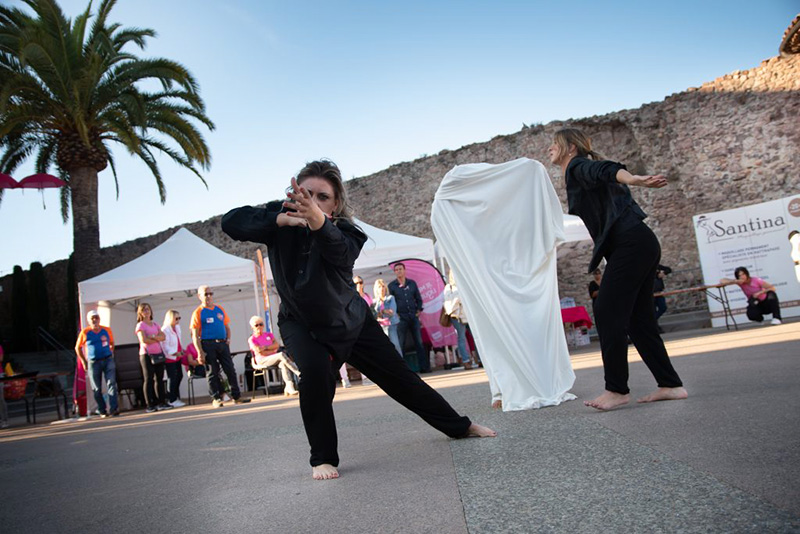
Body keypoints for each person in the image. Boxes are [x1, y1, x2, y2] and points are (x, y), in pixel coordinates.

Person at [221, 159, 495, 481]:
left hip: (351, 320)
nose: (311, 201)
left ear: (335, 204)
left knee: (400, 379)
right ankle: (322, 458)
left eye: (322, 196)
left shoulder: (348, 232)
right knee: (315, 373)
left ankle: (460, 426)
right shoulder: (277, 220)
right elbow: (231, 223)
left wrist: (317, 222)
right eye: (305, 193)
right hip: (302, 324)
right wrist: (279, 218)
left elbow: (339, 252)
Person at [548, 128, 687, 410]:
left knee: (607, 310)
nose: (548, 149)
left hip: (631, 244)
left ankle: (617, 390)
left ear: (570, 148)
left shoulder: (577, 166)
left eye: (553, 144)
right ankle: (670, 384)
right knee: (639, 320)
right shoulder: (576, 171)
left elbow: (605, 169)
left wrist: (634, 179)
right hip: (639, 243)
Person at [190, 285, 250, 407]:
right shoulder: (198, 312)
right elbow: (194, 335)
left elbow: (227, 326)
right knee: (212, 372)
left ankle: (236, 396)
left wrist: (228, 338)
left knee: (230, 369)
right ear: (199, 296)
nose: (208, 296)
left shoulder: (219, 309)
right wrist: (200, 352)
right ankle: (216, 398)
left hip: (222, 343)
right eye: (205, 294)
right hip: (207, 344)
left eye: (210, 294)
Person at [75, 310, 119, 417]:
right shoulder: (85, 332)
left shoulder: (106, 330)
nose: (95, 320)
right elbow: (77, 348)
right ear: (89, 320)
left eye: (96, 317)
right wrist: (84, 362)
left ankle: (114, 409)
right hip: (94, 362)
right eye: (92, 318)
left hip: (108, 359)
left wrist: (111, 351)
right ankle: (102, 409)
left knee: (111, 383)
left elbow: (112, 342)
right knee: (96, 388)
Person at [388, 262, 430, 373]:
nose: (398, 271)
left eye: (400, 269)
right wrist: (396, 314)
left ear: (404, 270)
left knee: (419, 343)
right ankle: (403, 371)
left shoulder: (412, 283)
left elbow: (419, 298)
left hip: (413, 316)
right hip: (401, 318)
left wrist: (418, 311)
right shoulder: (392, 286)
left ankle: (424, 367)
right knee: (401, 343)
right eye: (396, 270)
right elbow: (390, 302)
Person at [248, 315, 300, 396]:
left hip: (274, 358)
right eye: (256, 325)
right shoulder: (252, 339)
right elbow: (259, 351)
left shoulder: (269, 335)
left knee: (283, 363)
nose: (259, 326)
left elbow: (277, 345)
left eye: (261, 324)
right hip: (262, 360)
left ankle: (289, 386)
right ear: (252, 327)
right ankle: (299, 373)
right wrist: (272, 350)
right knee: (281, 355)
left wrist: (265, 347)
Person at [135, 303, 171, 413]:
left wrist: (154, 337)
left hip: (158, 353)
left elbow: (163, 336)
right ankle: (149, 404)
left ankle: (162, 401)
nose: (146, 312)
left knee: (159, 379)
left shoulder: (155, 324)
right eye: (144, 310)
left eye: (148, 309)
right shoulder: (140, 325)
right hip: (146, 354)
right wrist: (156, 339)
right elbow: (143, 340)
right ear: (140, 313)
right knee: (148, 379)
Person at [443, 269, 472, 370]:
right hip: (457, 315)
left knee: (476, 337)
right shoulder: (449, 287)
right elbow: (448, 302)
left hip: (469, 314)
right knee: (461, 337)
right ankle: (466, 360)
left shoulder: (465, 283)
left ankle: (480, 359)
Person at [160, 309, 186, 408]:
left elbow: (178, 340)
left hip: (178, 356)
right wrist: (174, 353)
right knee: (173, 378)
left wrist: (181, 350)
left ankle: (174, 396)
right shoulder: (165, 329)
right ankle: (172, 399)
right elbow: (165, 345)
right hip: (170, 357)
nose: (178, 320)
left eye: (179, 318)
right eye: (176, 318)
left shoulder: (177, 327)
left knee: (179, 376)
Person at [372, 278, 402, 355]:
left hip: (391, 325)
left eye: (383, 286)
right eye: (379, 287)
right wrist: (384, 311)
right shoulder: (375, 302)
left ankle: (401, 364)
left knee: (395, 346)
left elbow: (392, 312)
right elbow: (374, 315)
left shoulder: (390, 298)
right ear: (376, 289)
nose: (382, 288)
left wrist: (381, 311)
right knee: (384, 348)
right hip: (381, 327)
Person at [653, 264, 672, 332]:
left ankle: (653, 322)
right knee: (653, 310)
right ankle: (655, 327)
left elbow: (668, 269)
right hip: (651, 293)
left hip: (659, 292)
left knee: (663, 307)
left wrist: (663, 273)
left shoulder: (657, 265)